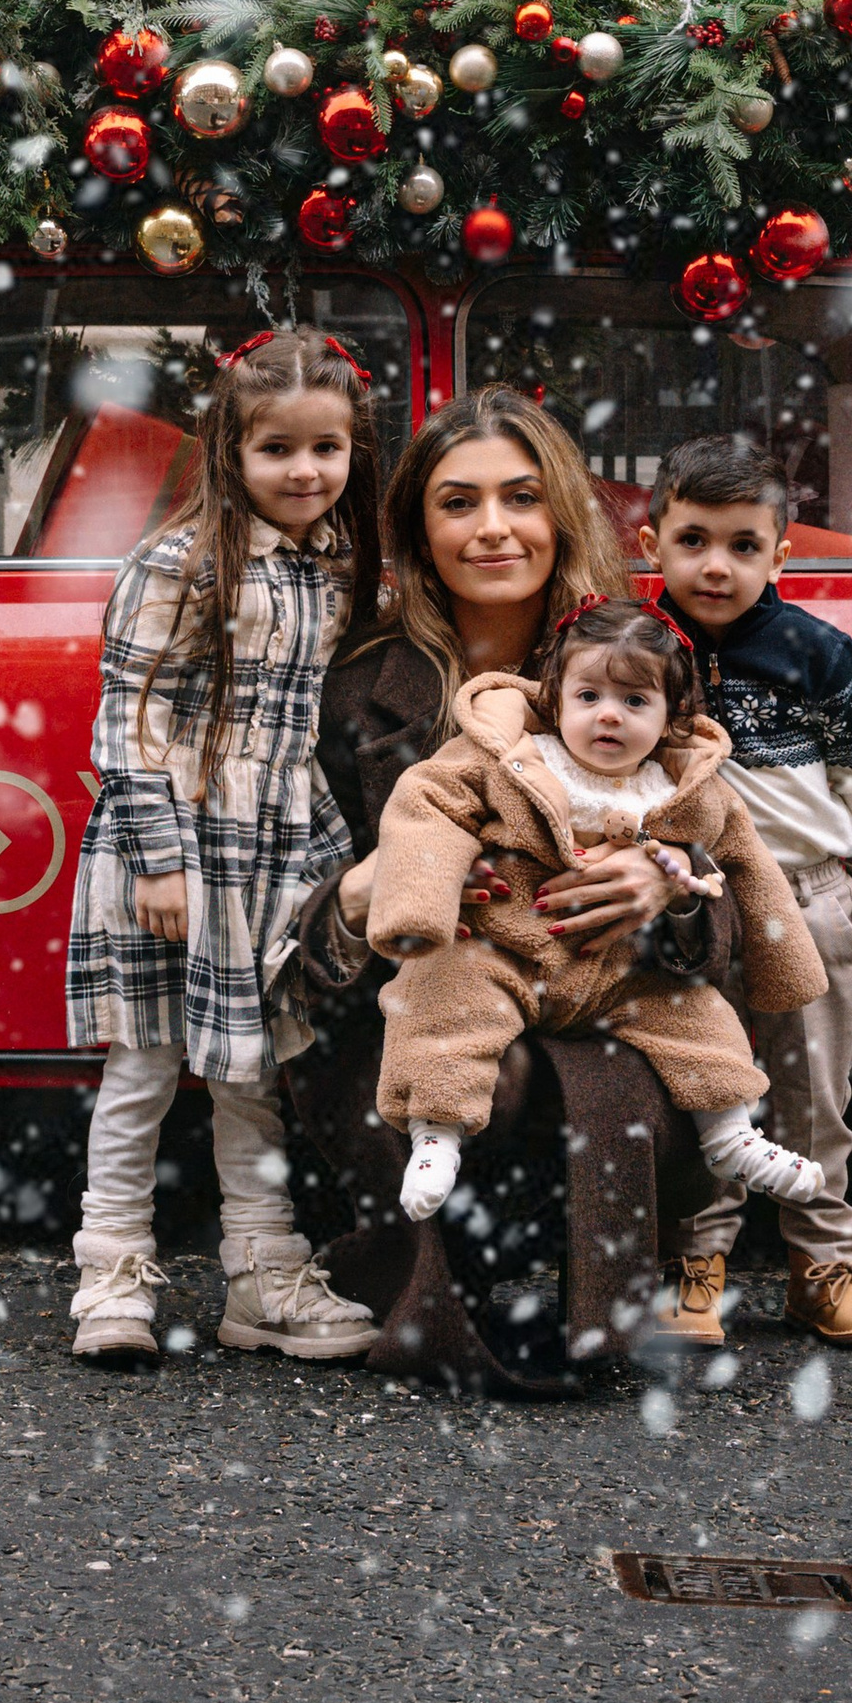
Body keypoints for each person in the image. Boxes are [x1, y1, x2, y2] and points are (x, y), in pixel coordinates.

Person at [284, 389, 706, 1385]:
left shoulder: (638, 659)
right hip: (407, 1014)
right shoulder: (356, 688)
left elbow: (726, 871)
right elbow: (294, 944)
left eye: (520, 497)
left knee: (627, 1081)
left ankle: (586, 1291)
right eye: (457, 503)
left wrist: (666, 887)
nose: (492, 529)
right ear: (418, 533)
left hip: (603, 996)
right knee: (486, 1078)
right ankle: (458, 1285)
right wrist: (370, 892)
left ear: (559, 513)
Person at [62, 328, 386, 1370]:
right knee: (145, 1066)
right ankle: (110, 1274)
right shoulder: (181, 563)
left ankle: (260, 1272)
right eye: (276, 448)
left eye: (326, 448)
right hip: (180, 849)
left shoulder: (339, 566)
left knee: (256, 1072)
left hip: (273, 849)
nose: (304, 470)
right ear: (230, 452)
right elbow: (130, 722)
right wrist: (160, 860)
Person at [368, 596, 830, 1222]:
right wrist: (419, 907)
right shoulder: (510, 756)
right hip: (506, 948)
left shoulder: (686, 789)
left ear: (671, 718)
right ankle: (435, 1132)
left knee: (701, 1019)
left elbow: (749, 865)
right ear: (555, 701)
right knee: (441, 994)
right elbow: (427, 805)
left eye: (635, 701)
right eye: (588, 696)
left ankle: (729, 1135)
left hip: (619, 971)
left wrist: (783, 965)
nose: (609, 715)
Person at [642, 434, 852, 1352]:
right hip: (693, 904)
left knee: (813, 1097)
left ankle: (824, 1270)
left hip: (810, 896)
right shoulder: (639, 646)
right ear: (653, 543)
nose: (715, 566)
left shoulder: (818, 650)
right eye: (693, 541)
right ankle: (697, 1266)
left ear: (780, 555)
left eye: (743, 546)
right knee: (705, 1087)